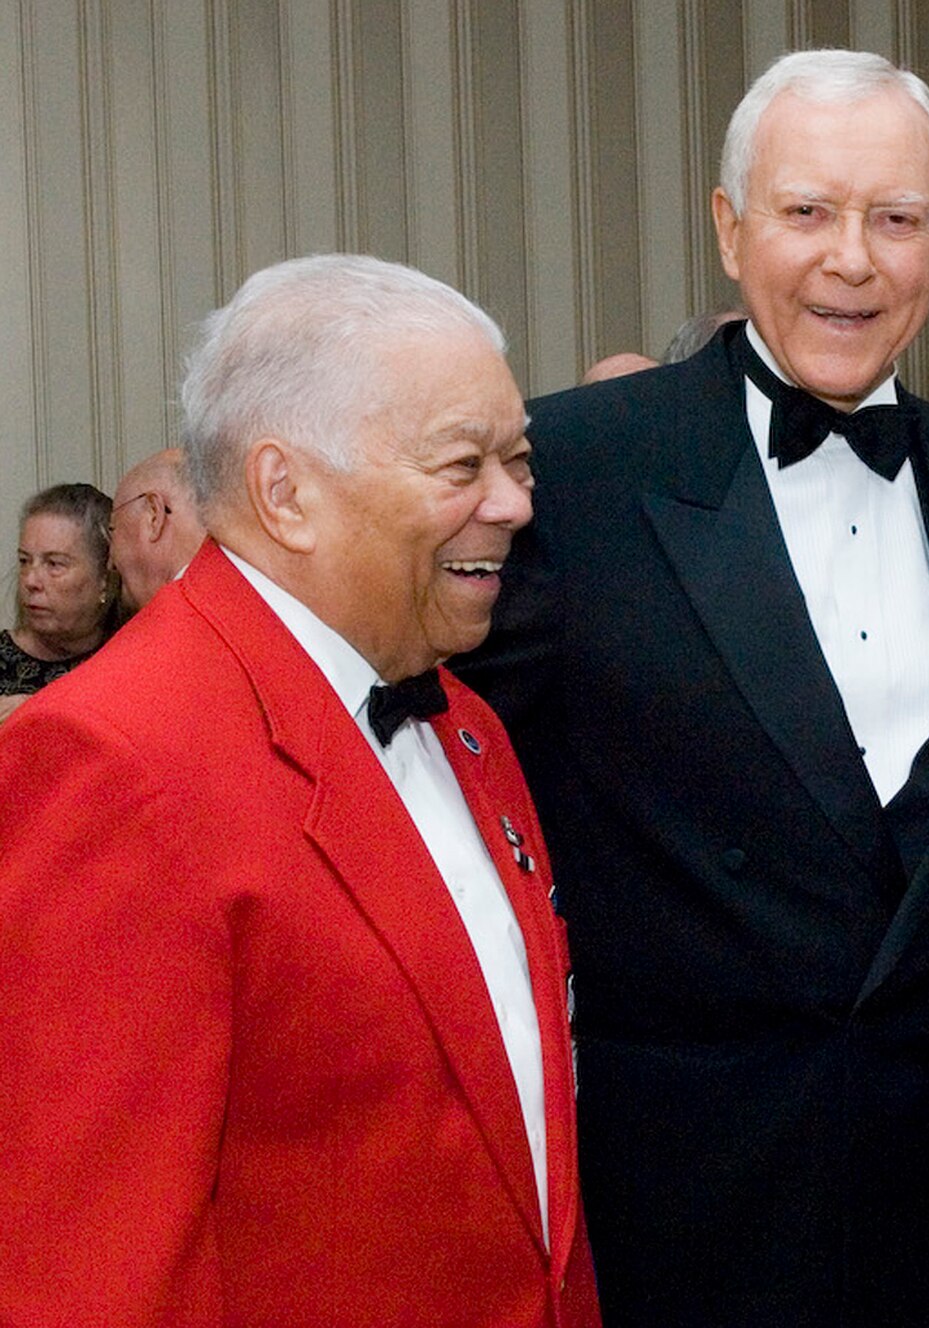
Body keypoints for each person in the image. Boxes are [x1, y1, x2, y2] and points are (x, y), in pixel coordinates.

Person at [455, 49, 929, 1328]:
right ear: (729, 228)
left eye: (893, 220)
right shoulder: (572, 464)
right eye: (806, 211)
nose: (852, 258)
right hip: (674, 1212)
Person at [0, 254, 599, 1326]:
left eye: (517, 459)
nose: (512, 504)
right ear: (287, 492)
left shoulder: (470, 728)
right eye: (462, 464)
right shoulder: (113, 762)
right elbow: (89, 1268)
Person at [2, 483, 115, 722]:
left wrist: (40, 709)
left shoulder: (131, 659)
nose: (31, 580)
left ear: (104, 578)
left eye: (54, 564)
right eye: (24, 561)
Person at [108, 446, 206, 612]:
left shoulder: (158, 633)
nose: (111, 563)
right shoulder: (254, 599)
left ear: (154, 515)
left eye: (113, 529)